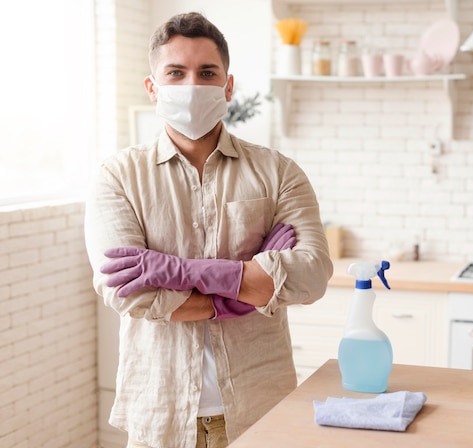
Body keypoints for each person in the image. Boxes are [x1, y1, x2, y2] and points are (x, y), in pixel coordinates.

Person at [84, 11, 333, 448]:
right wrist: (249, 290)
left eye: (207, 73)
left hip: (259, 406)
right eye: (176, 73)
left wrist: (175, 270)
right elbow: (127, 291)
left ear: (228, 86)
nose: (192, 86)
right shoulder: (118, 176)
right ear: (152, 87)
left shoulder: (278, 173)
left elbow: (312, 275)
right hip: (160, 410)